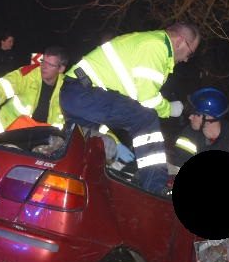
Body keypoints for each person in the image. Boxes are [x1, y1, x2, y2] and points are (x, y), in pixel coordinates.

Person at [59, 22, 198, 194]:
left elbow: (131, 100)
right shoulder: (156, 47)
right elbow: (147, 100)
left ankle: (68, 164)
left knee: (85, 140)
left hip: (77, 95)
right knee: (146, 119)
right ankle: (154, 187)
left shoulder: (148, 41)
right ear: (180, 41)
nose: (185, 59)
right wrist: (171, 109)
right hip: (85, 93)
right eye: (190, 53)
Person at [0, 46, 68, 134]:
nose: (44, 67)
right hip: (8, 133)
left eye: (50, 64)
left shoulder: (68, 87)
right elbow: (6, 84)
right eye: (43, 61)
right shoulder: (28, 74)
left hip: (42, 141)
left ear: (61, 69)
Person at [171, 87, 229, 171]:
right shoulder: (189, 134)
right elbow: (180, 165)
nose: (190, 117)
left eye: (195, 114)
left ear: (209, 117)